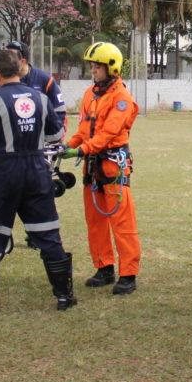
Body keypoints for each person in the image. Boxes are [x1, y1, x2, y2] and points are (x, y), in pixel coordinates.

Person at [0, 49, 76, 315]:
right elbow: (56, 135)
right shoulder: (41, 99)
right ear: (20, 68)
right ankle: (65, 295)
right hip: (37, 171)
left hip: (3, 173)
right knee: (48, 233)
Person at [61, 42, 141, 295]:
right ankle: (104, 266)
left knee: (122, 221)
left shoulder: (122, 99)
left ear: (112, 68)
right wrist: (69, 145)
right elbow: (84, 130)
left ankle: (128, 273)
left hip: (113, 165)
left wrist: (82, 150)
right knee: (95, 221)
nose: (93, 70)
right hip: (92, 166)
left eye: (97, 66)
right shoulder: (90, 95)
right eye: (92, 66)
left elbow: (108, 133)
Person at [0, 41, 67, 248]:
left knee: (39, 195)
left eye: (12, 57)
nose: (8, 62)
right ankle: (4, 236)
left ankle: (36, 234)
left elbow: (58, 115)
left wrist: (51, 142)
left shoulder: (44, 81)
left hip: (37, 150)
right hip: (8, 152)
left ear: (23, 60)